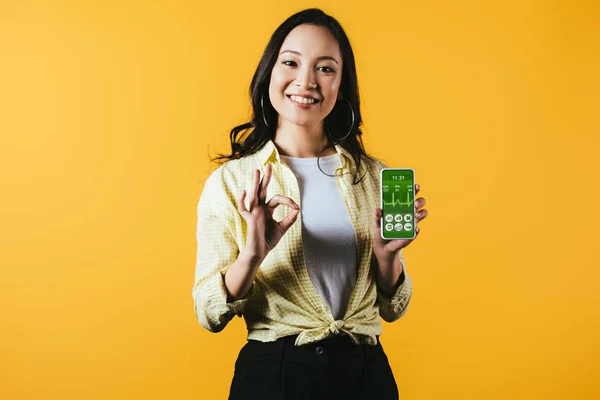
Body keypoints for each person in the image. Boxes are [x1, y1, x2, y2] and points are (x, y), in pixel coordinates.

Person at [192, 8, 428, 400]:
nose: (306, 81)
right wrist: (252, 254)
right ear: (270, 71)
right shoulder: (232, 183)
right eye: (291, 63)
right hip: (275, 375)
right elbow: (208, 313)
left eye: (325, 68)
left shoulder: (372, 176)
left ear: (342, 85)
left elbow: (393, 309)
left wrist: (388, 258)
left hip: (365, 375)